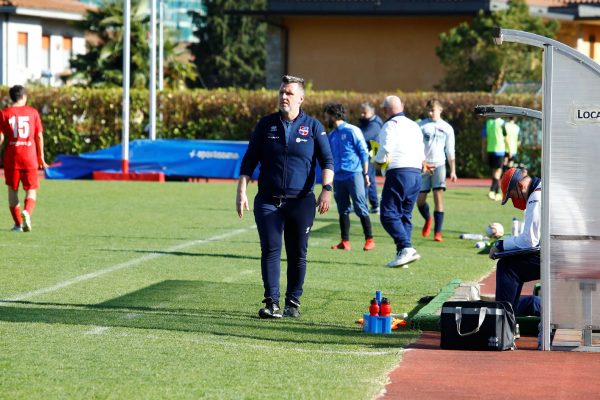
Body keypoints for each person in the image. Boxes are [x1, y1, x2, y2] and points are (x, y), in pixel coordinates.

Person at [236, 75, 334, 319]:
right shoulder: (266, 125)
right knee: (270, 249)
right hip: (268, 201)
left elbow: (327, 161)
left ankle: (293, 302)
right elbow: (249, 160)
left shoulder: (313, 127)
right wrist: (241, 190)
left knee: (297, 253)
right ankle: (272, 303)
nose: (283, 96)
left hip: (301, 202)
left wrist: (327, 189)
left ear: (301, 98)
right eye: (281, 92)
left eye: (289, 93)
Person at [374, 95, 424, 267]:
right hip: (416, 172)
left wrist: (377, 161)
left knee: (388, 214)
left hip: (399, 171)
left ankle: (406, 247)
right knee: (405, 215)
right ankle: (403, 254)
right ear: (401, 106)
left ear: (386, 109)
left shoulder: (389, 125)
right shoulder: (414, 125)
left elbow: (386, 147)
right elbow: (421, 150)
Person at [489, 167, 541, 312]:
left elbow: (529, 241)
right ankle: (521, 309)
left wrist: (500, 245)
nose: (514, 202)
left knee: (507, 267)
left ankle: (502, 321)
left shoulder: (536, 197)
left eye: (512, 196)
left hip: (561, 256)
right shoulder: (541, 188)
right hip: (564, 249)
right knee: (512, 264)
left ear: (520, 186)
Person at [324, 102, 375, 251]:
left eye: (327, 115)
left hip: (354, 174)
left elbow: (364, 153)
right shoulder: (331, 135)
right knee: (343, 209)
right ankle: (345, 241)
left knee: (360, 206)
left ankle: (369, 239)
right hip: (338, 177)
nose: (325, 118)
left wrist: (365, 173)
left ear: (334, 115)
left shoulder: (353, 130)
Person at [0, 85, 48, 232]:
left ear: (11, 97)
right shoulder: (33, 112)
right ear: (23, 97)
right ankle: (27, 211)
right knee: (31, 189)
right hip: (30, 156)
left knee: (12, 190)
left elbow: (1, 137)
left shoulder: (4, 113)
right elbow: (39, 136)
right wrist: (41, 157)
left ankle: (18, 224)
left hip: (12, 157)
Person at [416, 99, 457, 243]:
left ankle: (437, 233)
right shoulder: (420, 126)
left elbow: (450, 150)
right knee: (420, 200)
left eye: (433, 110)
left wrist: (453, 170)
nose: (430, 113)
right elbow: (415, 146)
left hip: (439, 165)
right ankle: (428, 219)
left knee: (438, 196)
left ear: (440, 110)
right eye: (428, 110)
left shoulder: (447, 128)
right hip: (424, 165)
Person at [358, 102, 383, 214]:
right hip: (370, 153)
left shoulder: (375, 124)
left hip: (372, 154)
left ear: (371, 112)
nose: (362, 114)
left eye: (365, 112)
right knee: (369, 179)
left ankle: (370, 204)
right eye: (361, 112)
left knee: (368, 178)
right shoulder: (368, 122)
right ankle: (373, 204)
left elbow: (363, 136)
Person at [482, 117, 505, 201]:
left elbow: (484, 139)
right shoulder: (502, 122)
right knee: (498, 171)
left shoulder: (488, 123)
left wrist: (483, 152)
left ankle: (497, 193)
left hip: (490, 150)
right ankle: (492, 190)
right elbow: (506, 137)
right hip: (500, 150)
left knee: (495, 171)